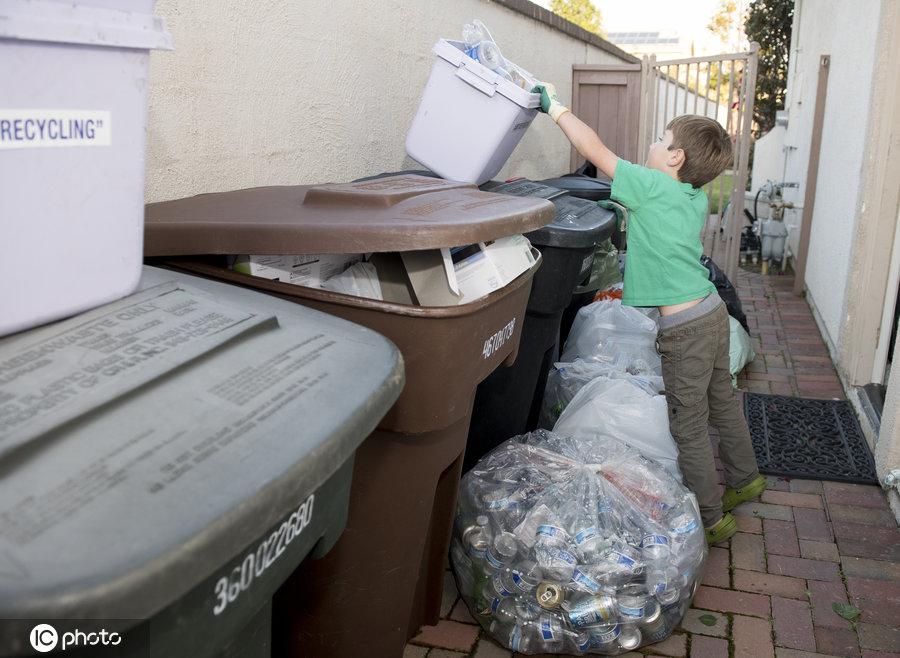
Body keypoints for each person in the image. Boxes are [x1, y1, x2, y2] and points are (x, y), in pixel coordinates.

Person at [532, 82, 766, 544]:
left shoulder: (652, 185)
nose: (654, 145)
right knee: (722, 401)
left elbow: (593, 148)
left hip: (686, 329)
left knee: (689, 423)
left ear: (676, 158)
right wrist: (617, 203)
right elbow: (657, 221)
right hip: (712, 312)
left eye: (661, 139)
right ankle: (746, 479)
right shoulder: (694, 195)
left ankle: (711, 515)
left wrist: (554, 107)